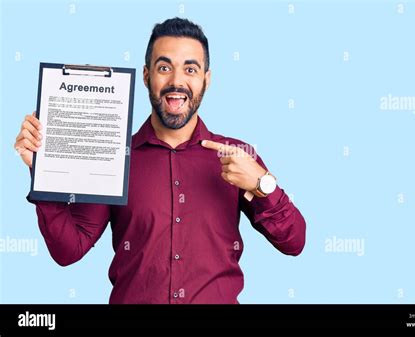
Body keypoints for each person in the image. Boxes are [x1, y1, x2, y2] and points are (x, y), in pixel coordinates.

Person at [13, 17, 306, 304]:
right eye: (164, 67)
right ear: (146, 76)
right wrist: (43, 171)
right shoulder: (114, 156)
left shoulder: (237, 156)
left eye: (190, 69)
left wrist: (261, 184)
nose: (176, 81)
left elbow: (294, 243)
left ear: (207, 79)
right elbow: (68, 251)